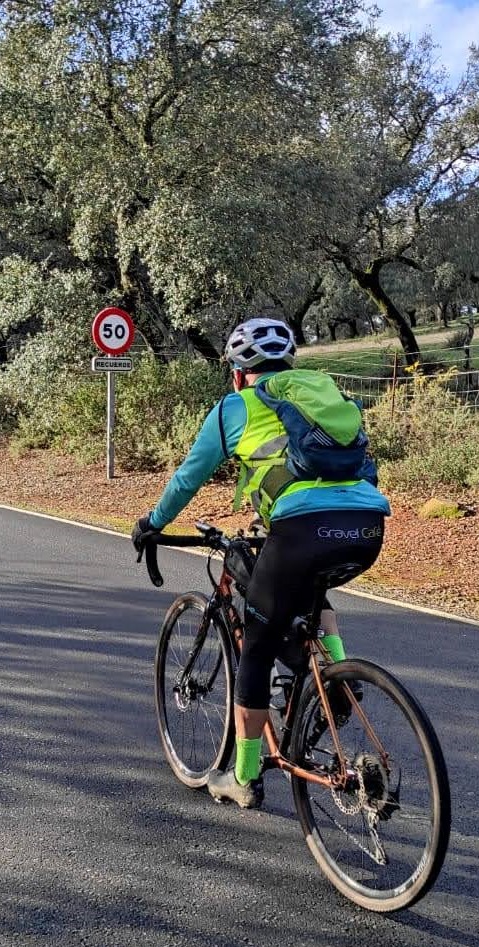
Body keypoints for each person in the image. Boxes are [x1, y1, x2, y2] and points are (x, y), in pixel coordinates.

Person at [131, 318, 390, 808]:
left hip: (300, 531)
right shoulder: (320, 393)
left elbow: (188, 478)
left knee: (256, 647)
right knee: (311, 591)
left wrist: (153, 522)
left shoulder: (236, 407)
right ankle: (335, 674)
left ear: (237, 373)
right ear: (289, 365)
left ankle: (244, 777)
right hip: (366, 525)